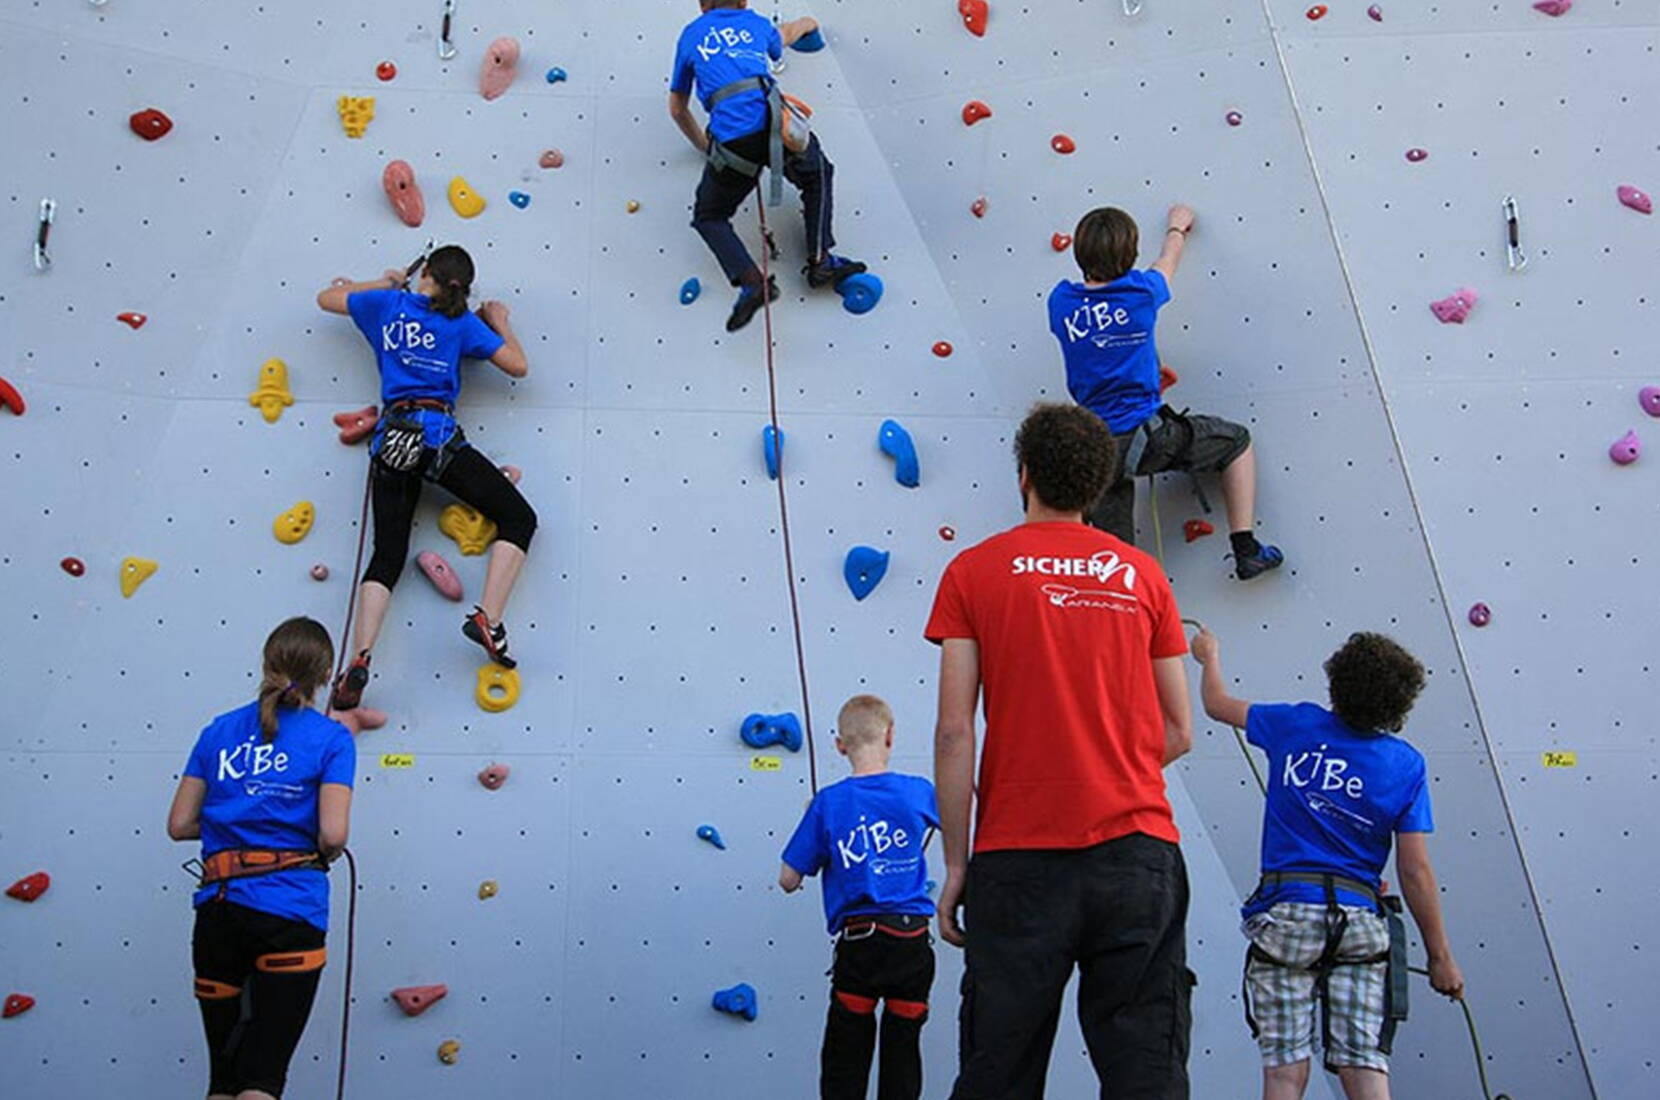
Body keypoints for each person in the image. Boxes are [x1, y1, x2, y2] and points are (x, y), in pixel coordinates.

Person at [925, 403, 1196, 1099]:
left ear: (1024, 476)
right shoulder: (1142, 576)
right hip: (1136, 854)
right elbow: (1179, 730)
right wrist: (1108, 770)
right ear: (1098, 484)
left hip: (1016, 862)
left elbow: (956, 731)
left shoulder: (973, 572)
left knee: (999, 1074)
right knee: (1146, 1075)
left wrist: (956, 863)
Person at [1190, 627, 1465, 1100]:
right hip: (1359, 921)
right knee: (1364, 1065)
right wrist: (1440, 956)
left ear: (1337, 681)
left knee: (1283, 1072)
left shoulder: (1294, 724)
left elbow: (1217, 704)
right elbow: (1415, 870)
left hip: (1287, 914)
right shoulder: (1406, 765)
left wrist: (1208, 656)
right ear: (1399, 704)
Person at [316, 244, 538, 709]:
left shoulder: (386, 305)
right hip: (438, 438)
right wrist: (499, 321)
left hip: (393, 437)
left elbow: (326, 299)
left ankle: (360, 657)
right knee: (518, 519)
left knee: (388, 554)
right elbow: (518, 366)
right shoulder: (462, 324)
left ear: (427, 275)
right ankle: (489, 620)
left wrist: (385, 282)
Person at [166, 617, 356, 1100]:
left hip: (218, 911)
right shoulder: (331, 739)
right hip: (288, 909)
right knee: (262, 1077)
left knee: (223, 1080)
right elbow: (333, 833)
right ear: (325, 673)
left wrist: (236, 824)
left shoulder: (218, 732)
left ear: (267, 662)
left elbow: (179, 825)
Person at [1047, 203, 1285, 580]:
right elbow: (1167, 260)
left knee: (1119, 563)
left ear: (1080, 253)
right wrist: (1177, 227)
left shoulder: (1061, 303)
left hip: (1096, 451)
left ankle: (1124, 618)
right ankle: (1246, 548)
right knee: (1237, 441)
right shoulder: (1142, 293)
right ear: (1130, 256)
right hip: (1152, 438)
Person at [668, 0, 867, 332]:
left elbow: (677, 108)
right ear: (744, 2)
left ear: (703, 5)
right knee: (818, 174)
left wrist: (706, 148)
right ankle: (821, 260)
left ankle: (752, 282)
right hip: (774, 125)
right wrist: (809, 22)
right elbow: (786, 35)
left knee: (709, 216)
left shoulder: (691, 36)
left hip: (732, 142)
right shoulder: (756, 24)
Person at [781, 695, 939, 1100]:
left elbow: (788, 879)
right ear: (890, 736)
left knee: (845, 1058)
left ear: (839, 745)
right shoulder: (919, 792)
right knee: (903, 1053)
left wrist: (814, 820)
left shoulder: (828, 803)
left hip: (861, 944)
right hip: (912, 943)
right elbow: (959, 826)